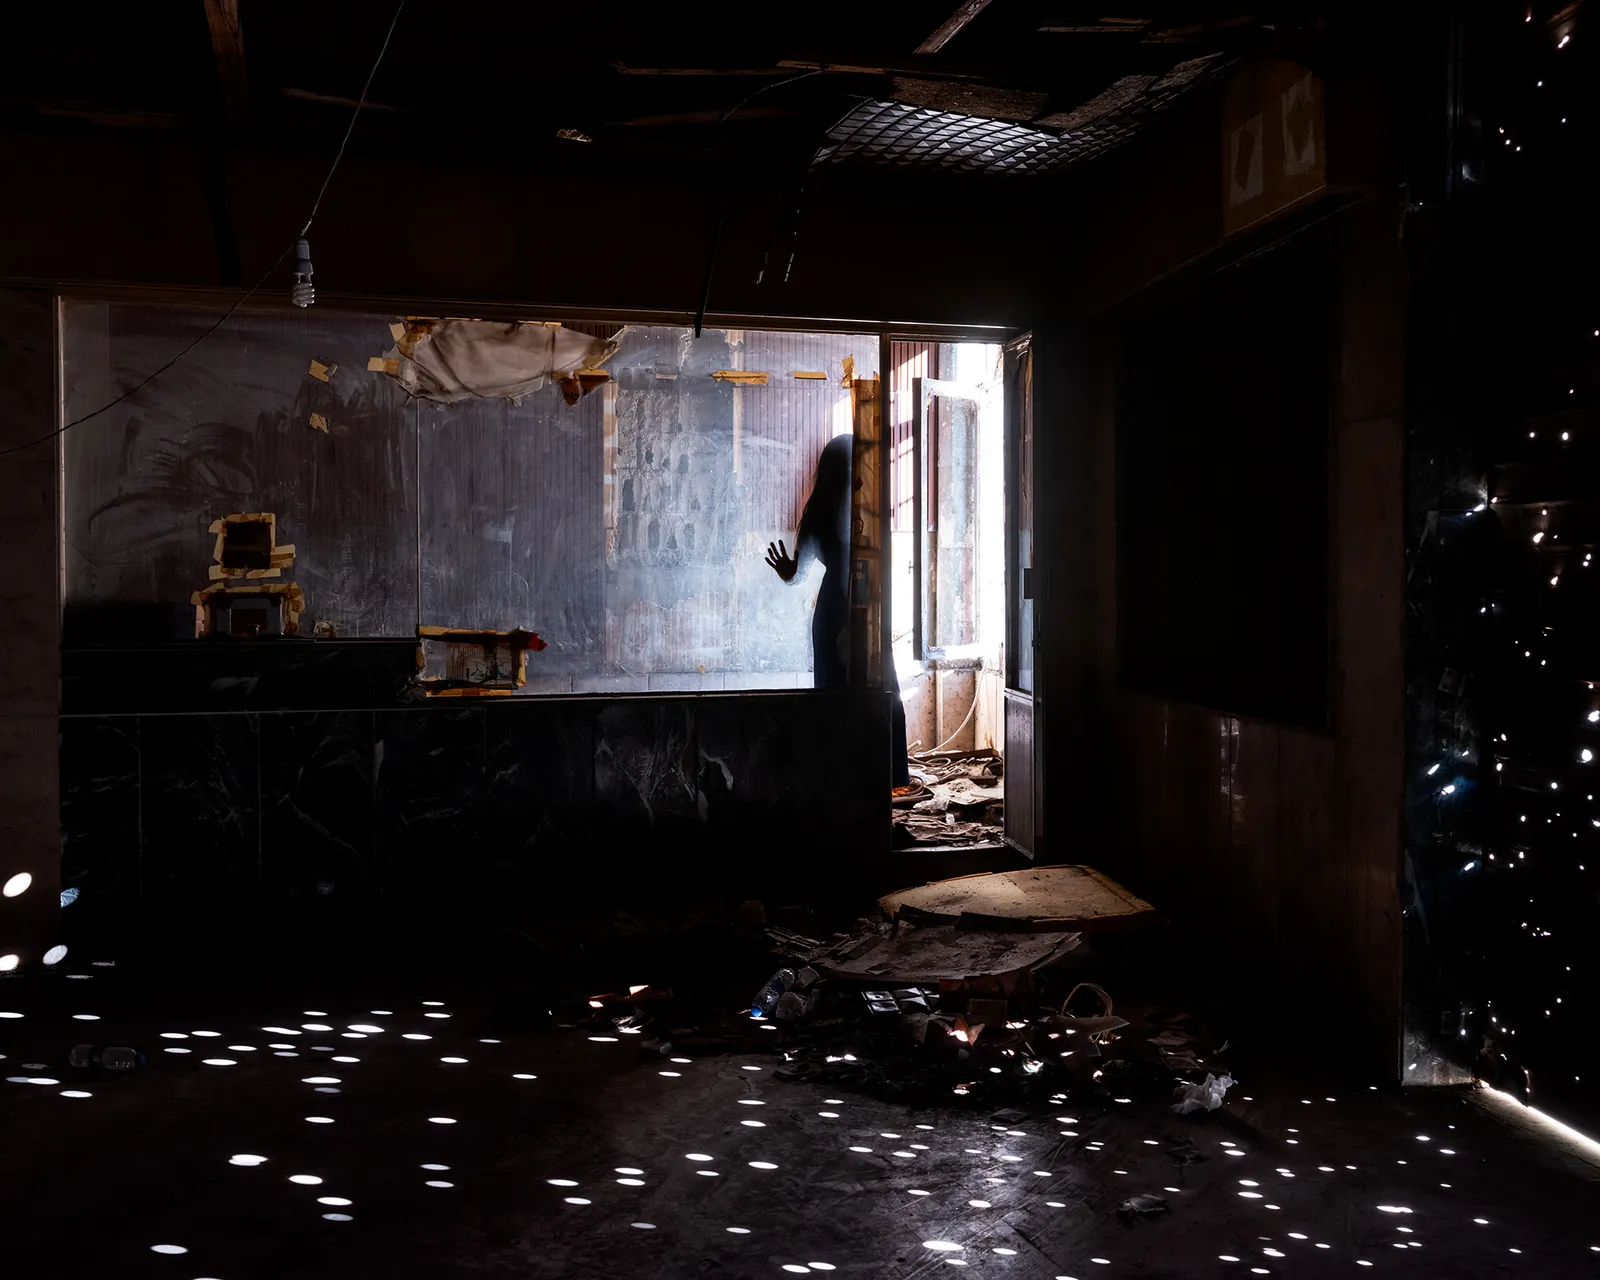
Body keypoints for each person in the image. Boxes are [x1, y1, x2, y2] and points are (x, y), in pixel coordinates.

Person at [765, 435, 910, 787]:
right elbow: (799, 574)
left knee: (872, 692)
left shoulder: (853, 508)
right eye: (857, 466)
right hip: (844, 612)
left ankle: (864, 778)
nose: (863, 473)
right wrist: (788, 572)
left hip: (852, 609)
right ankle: (858, 778)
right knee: (856, 694)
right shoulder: (845, 510)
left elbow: (799, 574)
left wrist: (789, 573)